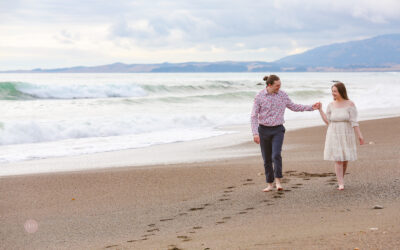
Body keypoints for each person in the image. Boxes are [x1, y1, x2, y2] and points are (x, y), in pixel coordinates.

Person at [251, 75, 320, 192]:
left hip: (278, 129)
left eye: (280, 85)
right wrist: (255, 133)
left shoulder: (282, 95)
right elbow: (253, 116)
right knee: (267, 159)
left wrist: (311, 107)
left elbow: (294, 106)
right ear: (269, 85)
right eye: (277, 85)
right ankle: (269, 184)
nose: (279, 87)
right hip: (263, 130)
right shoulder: (259, 96)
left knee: (276, 155)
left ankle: (278, 181)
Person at [318, 82, 364, 190]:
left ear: (341, 91)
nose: (333, 93)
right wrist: (320, 110)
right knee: (338, 158)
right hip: (333, 133)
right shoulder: (331, 105)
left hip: (346, 133)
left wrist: (360, 135)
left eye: (335, 91)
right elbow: (327, 121)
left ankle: (340, 179)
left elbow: (354, 121)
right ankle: (341, 184)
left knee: (345, 159)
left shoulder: (350, 104)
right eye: (332, 91)